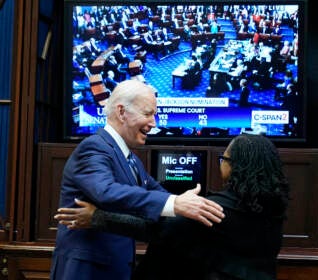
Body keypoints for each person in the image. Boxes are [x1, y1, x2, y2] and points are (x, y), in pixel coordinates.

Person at [50, 79, 224, 280]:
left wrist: (187, 204)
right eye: (148, 114)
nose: (154, 123)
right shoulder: (93, 148)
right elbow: (106, 192)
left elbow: (157, 195)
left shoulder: (131, 159)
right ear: (122, 112)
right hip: (86, 271)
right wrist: (175, 203)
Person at [55, 134, 290, 280]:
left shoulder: (214, 210)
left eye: (224, 160)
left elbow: (155, 229)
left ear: (235, 166)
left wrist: (98, 217)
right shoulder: (272, 208)